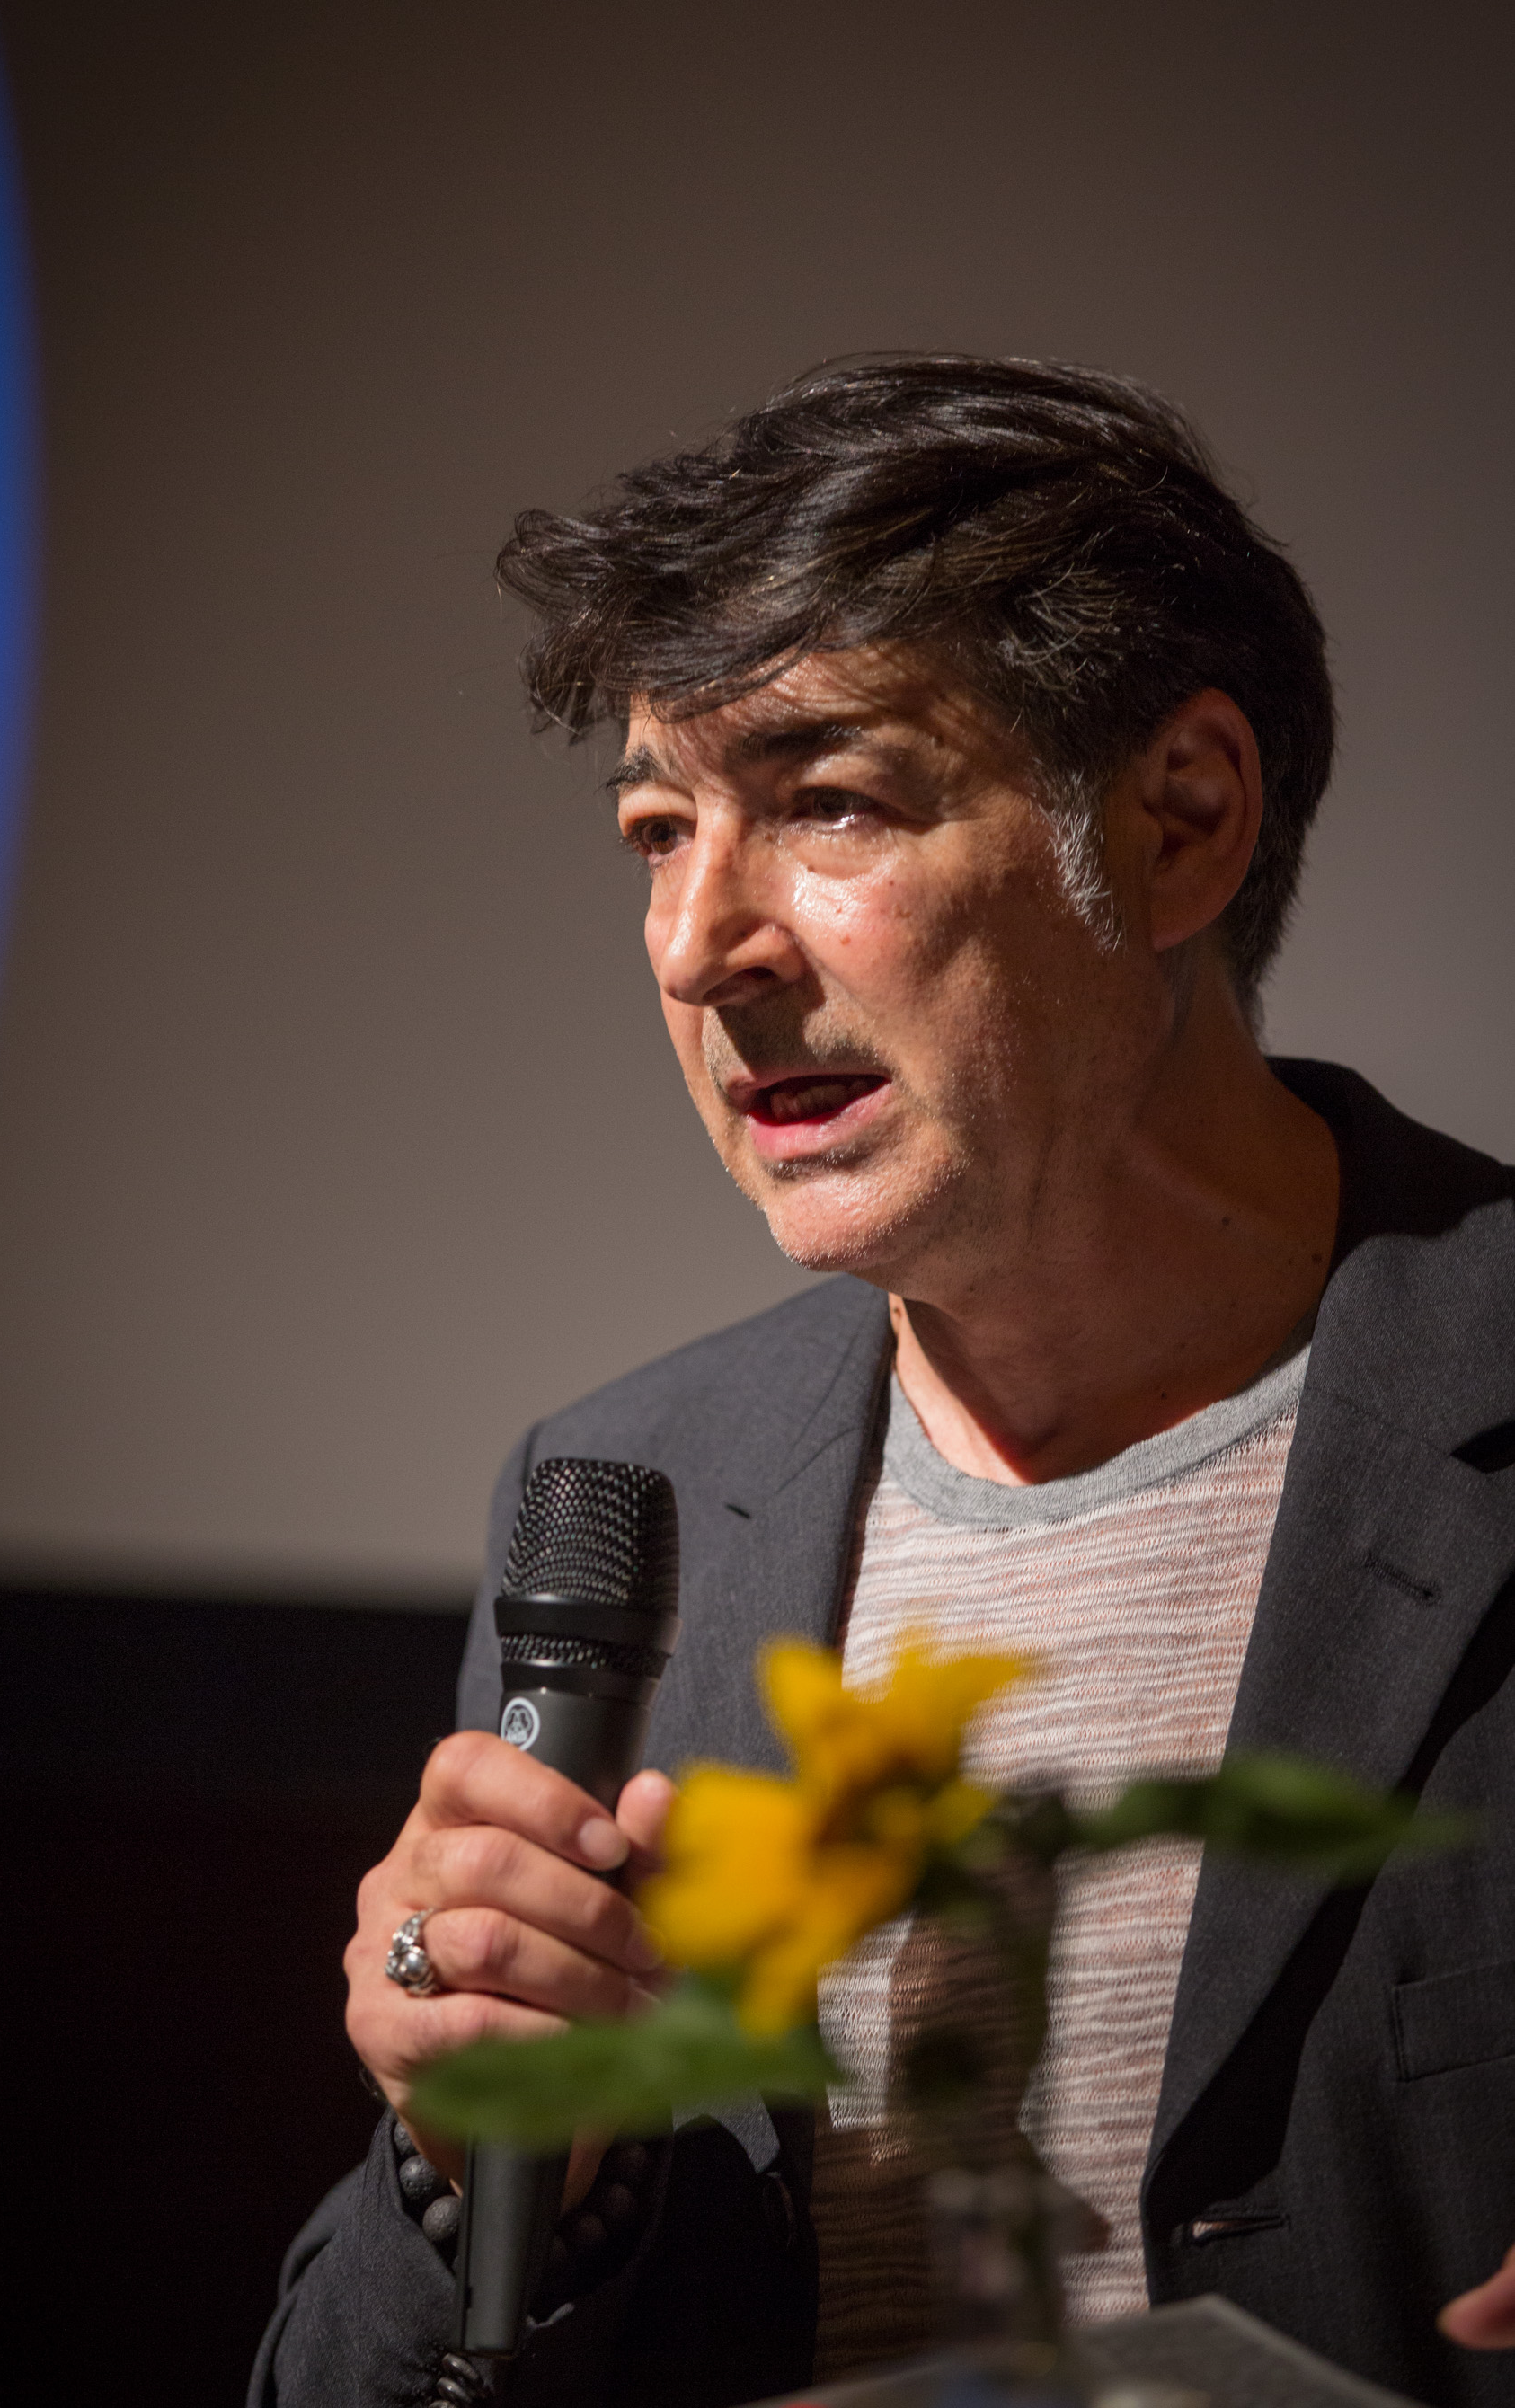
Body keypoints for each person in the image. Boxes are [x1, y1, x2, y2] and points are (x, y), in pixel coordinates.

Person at [252, 359, 1515, 2408]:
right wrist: (482, 2160)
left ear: (1181, 820)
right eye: (659, 830)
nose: (700, 942)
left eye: (829, 801)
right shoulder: (634, 1486)